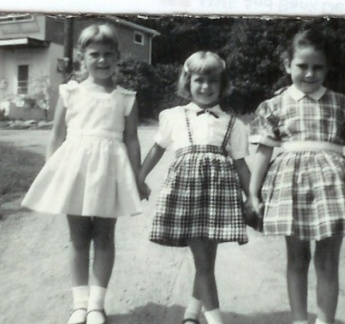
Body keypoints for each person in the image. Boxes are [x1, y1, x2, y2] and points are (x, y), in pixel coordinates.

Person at [247, 29, 345, 324]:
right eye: (302, 66)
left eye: (318, 67)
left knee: (327, 261)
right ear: (288, 64)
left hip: (332, 187)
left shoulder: (343, 104)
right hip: (289, 187)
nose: (310, 74)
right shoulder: (274, 105)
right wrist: (253, 192)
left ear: (327, 68)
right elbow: (263, 152)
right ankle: (300, 320)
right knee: (297, 259)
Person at [22, 24, 144, 324]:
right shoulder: (71, 91)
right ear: (82, 57)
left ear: (118, 57)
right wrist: (53, 174)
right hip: (75, 171)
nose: (101, 60)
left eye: (108, 54)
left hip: (109, 172)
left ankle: (96, 305)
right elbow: (56, 135)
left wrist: (137, 178)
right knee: (78, 239)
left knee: (104, 237)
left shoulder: (126, 97)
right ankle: (79, 304)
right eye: (94, 54)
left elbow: (131, 140)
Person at [137, 51, 251, 324]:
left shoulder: (232, 124)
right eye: (199, 80)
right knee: (203, 262)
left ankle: (191, 313)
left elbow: (241, 165)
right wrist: (139, 178)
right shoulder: (174, 116)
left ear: (222, 84)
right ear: (188, 82)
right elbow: (157, 149)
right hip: (186, 195)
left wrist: (253, 196)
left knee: (205, 263)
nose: (206, 86)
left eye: (213, 81)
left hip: (217, 197)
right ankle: (214, 319)